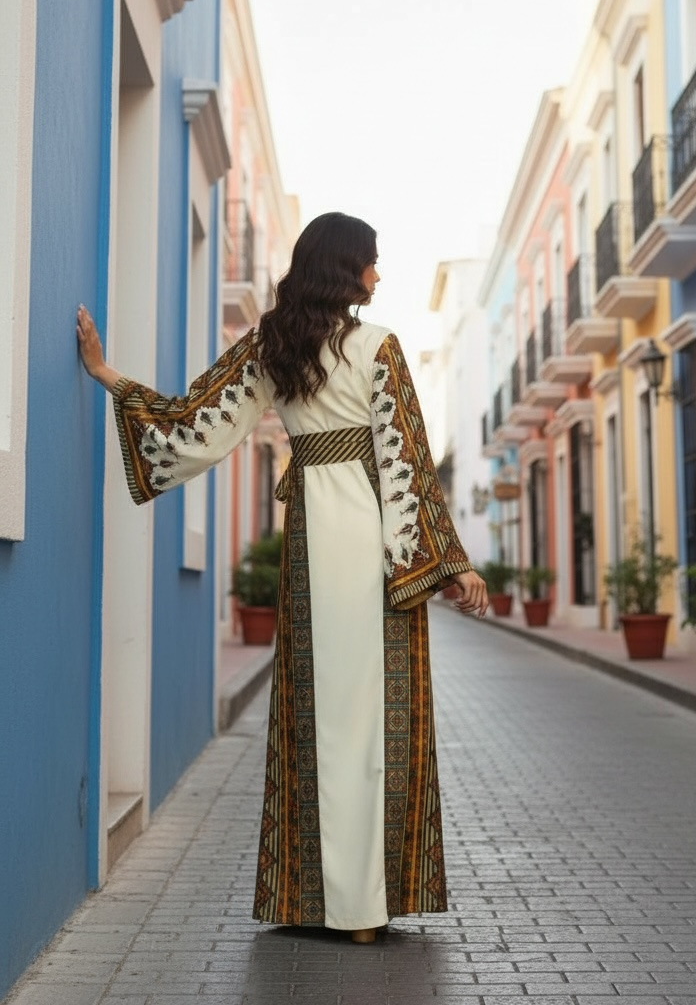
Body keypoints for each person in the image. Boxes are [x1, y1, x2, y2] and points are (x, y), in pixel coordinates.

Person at [76, 211, 487, 945]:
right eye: (372, 261)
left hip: (311, 544)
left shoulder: (275, 346)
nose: (379, 274)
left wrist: (112, 378)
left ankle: (321, 902)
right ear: (346, 267)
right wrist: (443, 564)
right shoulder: (377, 346)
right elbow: (406, 462)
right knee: (372, 720)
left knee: (316, 713)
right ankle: (367, 909)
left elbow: (195, 422)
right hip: (371, 539)